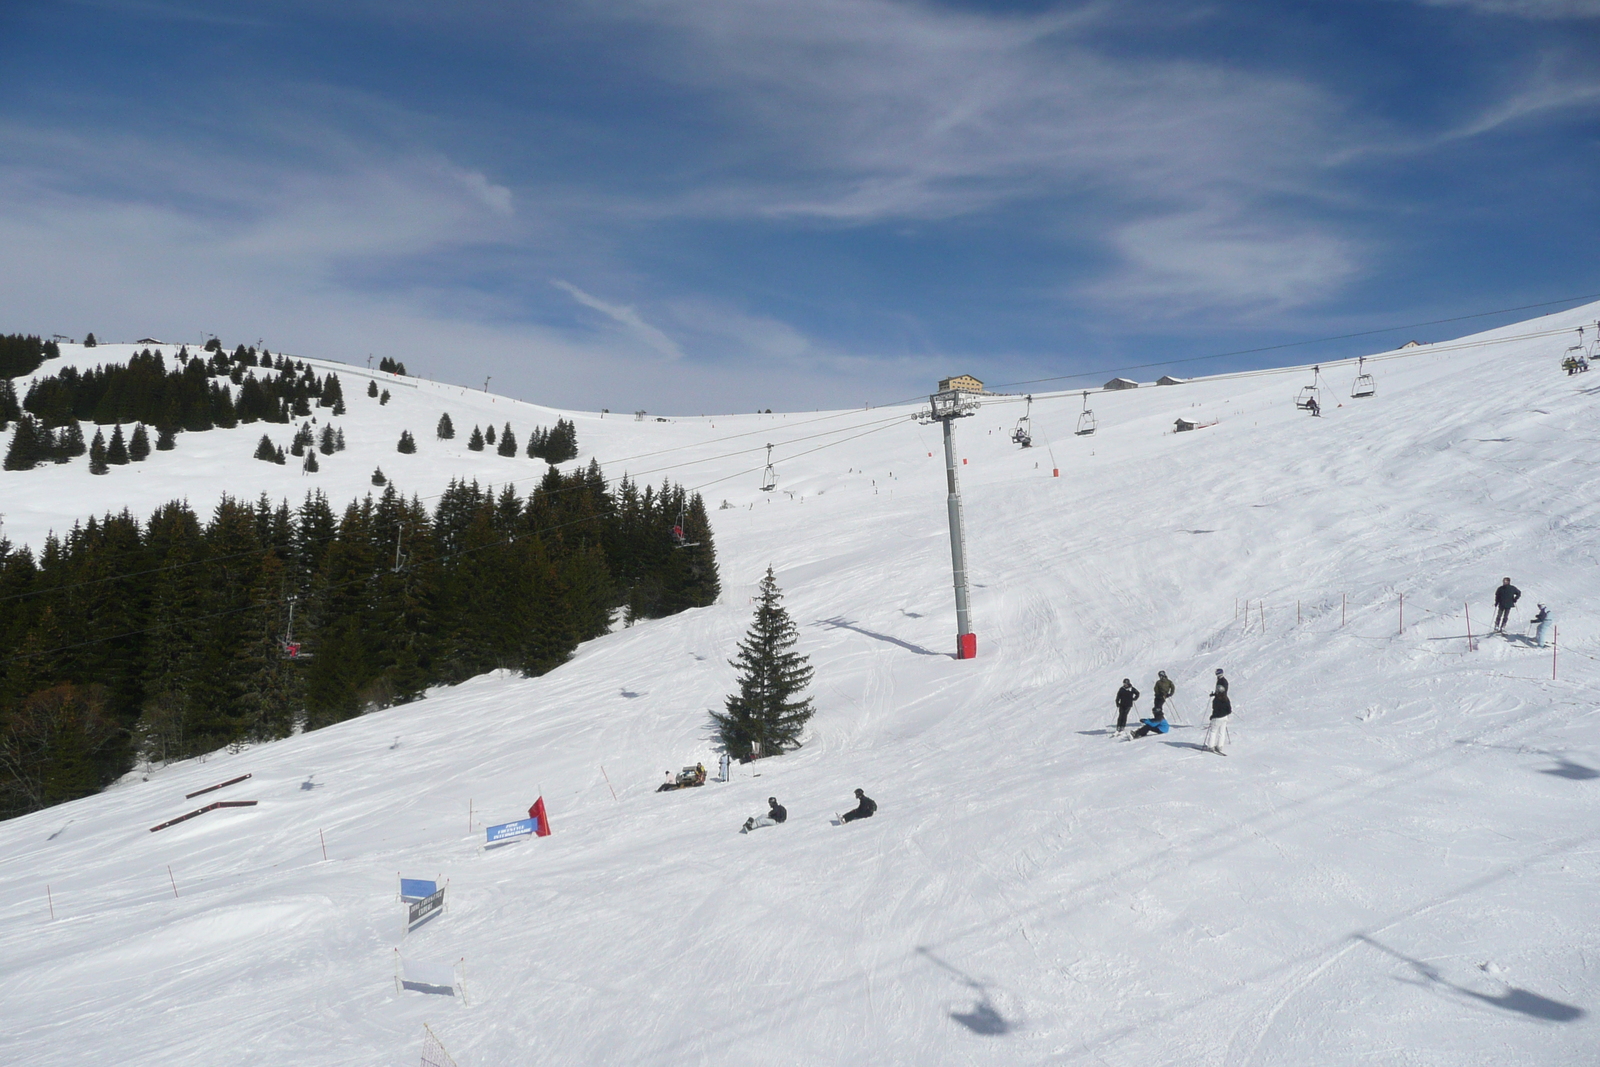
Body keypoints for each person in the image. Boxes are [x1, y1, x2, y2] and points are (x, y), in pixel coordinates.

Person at [1204, 668, 1231, 754]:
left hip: (1217, 717)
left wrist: (1213, 716)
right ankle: (1220, 746)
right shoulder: (1226, 699)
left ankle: (1211, 746)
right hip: (1225, 717)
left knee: (1213, 731)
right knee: (1222, 732)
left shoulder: (1216, 700)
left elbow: (1215, 709)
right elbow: (1229, 710)